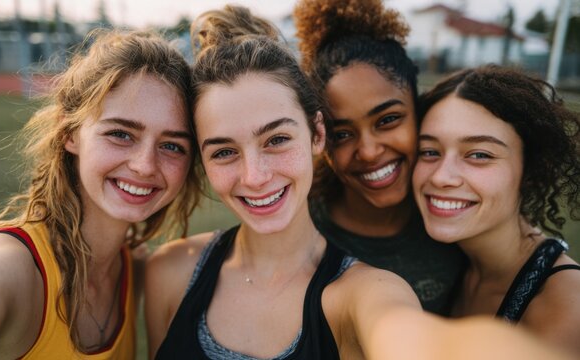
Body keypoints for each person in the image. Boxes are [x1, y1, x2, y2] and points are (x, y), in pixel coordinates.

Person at [144, 5, 576, 360]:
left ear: (315, 134)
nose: (254, 176)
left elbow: (410, 337)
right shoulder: (170, 272)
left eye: (276, 139)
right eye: (223, 151)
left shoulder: (366, 291)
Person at [0, 29, 201, 359]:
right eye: (121, 133)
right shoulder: (15, 268)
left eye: (172, 145)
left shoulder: (132, 267)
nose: (145, 165)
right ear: (70, 133)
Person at [293, 0, 464, 314]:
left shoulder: (459, 210)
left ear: (419, 110)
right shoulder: (300, 232)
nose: (369, 151)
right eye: (342, 134)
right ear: (321, 139)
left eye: (387, 120)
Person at [413, 65, 580, 355]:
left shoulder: (568, 307)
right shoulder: (448, 261)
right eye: (429, 151)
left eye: (479, 154)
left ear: (531, 170)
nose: (441, 176)